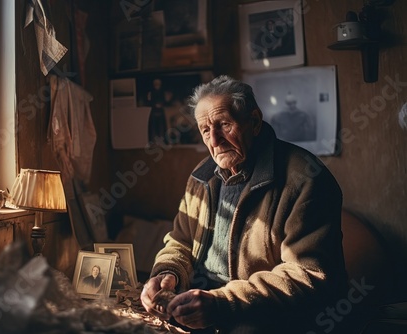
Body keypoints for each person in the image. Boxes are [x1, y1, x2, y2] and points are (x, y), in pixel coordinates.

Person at [140, 75, 348, 333]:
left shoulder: (306, 178)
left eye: (224, 124)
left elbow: (309, 274)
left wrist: (223, 302)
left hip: (266, 317)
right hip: (199, 305)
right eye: (206, 130)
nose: (214, 141)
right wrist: (168, 273)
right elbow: (180, 240)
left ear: (255, 121)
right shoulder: (201, 177)